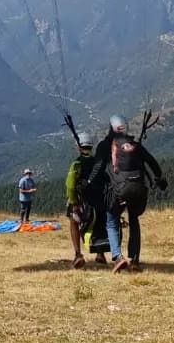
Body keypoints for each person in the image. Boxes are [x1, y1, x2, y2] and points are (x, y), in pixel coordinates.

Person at [88, 115, 166, 272]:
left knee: (111, 221)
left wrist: (89, 183)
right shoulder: (136, 146)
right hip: (139, 188)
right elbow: (152, 163)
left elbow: (97, 167)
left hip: (119, 189)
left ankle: (118, 257)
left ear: (111, 128)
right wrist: (159, 178)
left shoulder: (106, 145)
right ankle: (135, 259)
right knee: (134, 220)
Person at [65, 133, 97, 268]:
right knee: (97, 224)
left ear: (79, 147)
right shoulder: (98, 162)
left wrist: (73, 202)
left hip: (81, 200)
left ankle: (78, 254)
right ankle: (100, 253)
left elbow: (71, 185)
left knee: (74, 223)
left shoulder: (76, 164)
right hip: (97, 200)